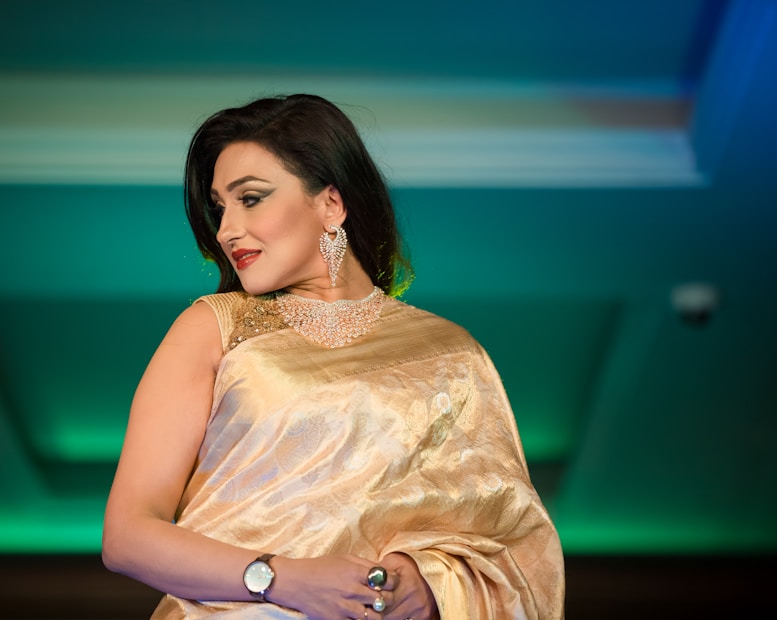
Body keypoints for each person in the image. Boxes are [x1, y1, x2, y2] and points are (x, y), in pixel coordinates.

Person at [102, 93, 565, 619]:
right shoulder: (214, 327)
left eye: (249, 198)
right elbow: (127, 535)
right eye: (219, 207)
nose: (227, 228)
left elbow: (513, 543)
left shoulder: (451, 352)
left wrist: (430, 583)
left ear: (331, 204)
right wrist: (279, 578)